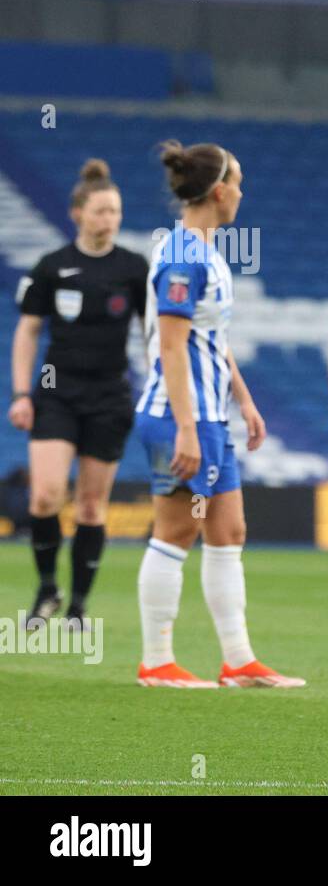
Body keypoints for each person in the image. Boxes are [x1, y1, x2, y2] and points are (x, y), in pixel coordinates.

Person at [133, 139, 304, 689]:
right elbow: (172, 345)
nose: (243, 192)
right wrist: (186, 426)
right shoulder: (183, 256)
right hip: (181, 416)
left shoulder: (206, 251)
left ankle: (238, 660)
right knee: (178, 530)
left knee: (228, 529)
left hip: (209, 415)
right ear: (219, 190)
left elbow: (211, 339)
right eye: (240, 180)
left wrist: (245, 399)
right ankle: (156, 662)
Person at [8, 159, 148, 631]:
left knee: (91, 506)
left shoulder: (133, 269)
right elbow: (28, 332)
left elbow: (155, 333)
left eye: (116, 212)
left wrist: (158, 384)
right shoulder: (51, 267)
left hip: (109, 396)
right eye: (101, 211)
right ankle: (48, 588)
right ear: (77, 213)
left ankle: (79, 607)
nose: (109, 220)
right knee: (45, 496)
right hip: (56, 391)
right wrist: (22, 393)